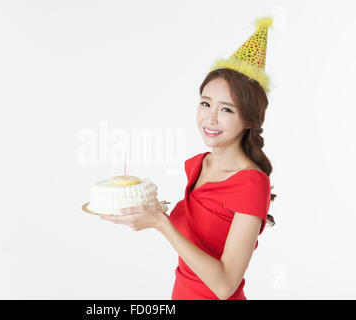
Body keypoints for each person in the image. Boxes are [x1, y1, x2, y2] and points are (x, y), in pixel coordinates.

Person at [100, 16, 277, 300]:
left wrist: (161, 223)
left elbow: (224, 286)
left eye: (227, 110)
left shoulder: (252, 184)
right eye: (206, 103)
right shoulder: (200, 165)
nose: (211, 117)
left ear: (249, 120)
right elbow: (196, 239)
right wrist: (149, 208)